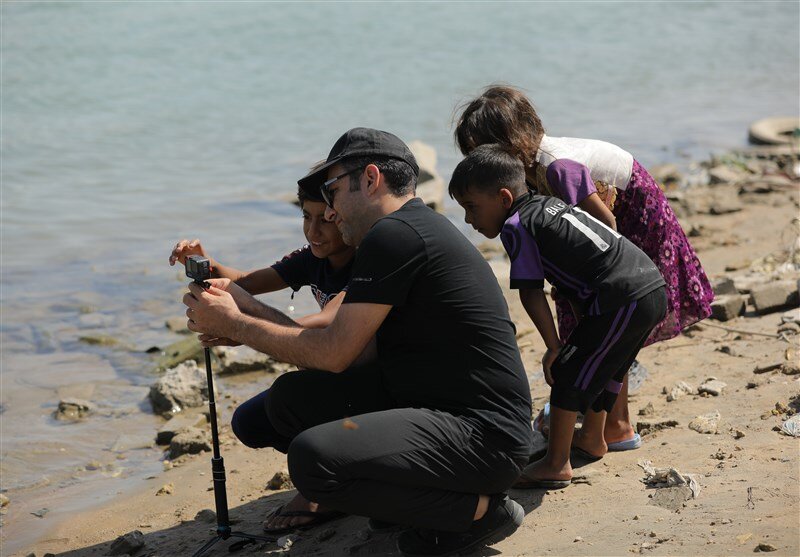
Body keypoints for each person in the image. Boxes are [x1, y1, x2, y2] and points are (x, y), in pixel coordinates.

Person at [182, 128, 533, 556]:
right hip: (439, 410)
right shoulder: (404, 229)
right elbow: (347, 354)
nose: (329, 210)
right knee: (292, 397)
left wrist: (238, 325)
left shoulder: (396, 235)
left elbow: (333, 353)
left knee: (312, 459)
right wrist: (241, 309)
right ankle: (410, 500)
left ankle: (479, 512)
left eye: (332, 191)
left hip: (483, 438)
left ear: (370, 179)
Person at [454, 85, 713, 454]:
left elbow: (605, 224)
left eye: (483, 151)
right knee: (593, 323)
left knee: (607, 321)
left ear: (511, 142)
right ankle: (600, 420)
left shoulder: (557, 167)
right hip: (599, 240)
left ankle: (615, 424)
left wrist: (588, 287)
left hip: (631, 217)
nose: (482, 164)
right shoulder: (525, 175)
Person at [449, 143, 667, 488]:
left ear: (504, 198)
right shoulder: (548, 205)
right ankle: (593, 439)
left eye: (471, 207)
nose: (467, 220)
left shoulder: (516, 225)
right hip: (648, 285)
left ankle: (556, 463)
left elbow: (530, 292)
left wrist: (554, 347)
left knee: (567, 372)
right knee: (607, 368)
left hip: (622, 296)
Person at [169, 177, 360, 533]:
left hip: (364, 380)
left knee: (288, 395)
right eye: (306, 217)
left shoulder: (367, 263)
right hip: (332, 374)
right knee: (249, 422)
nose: (313, 231)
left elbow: (327, 322)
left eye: (325, 220)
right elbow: (246, 281)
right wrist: (206, 264)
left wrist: (244, 328)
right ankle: (338, 467)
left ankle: (330, 483)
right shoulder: (312, 258)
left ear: (345, 215)